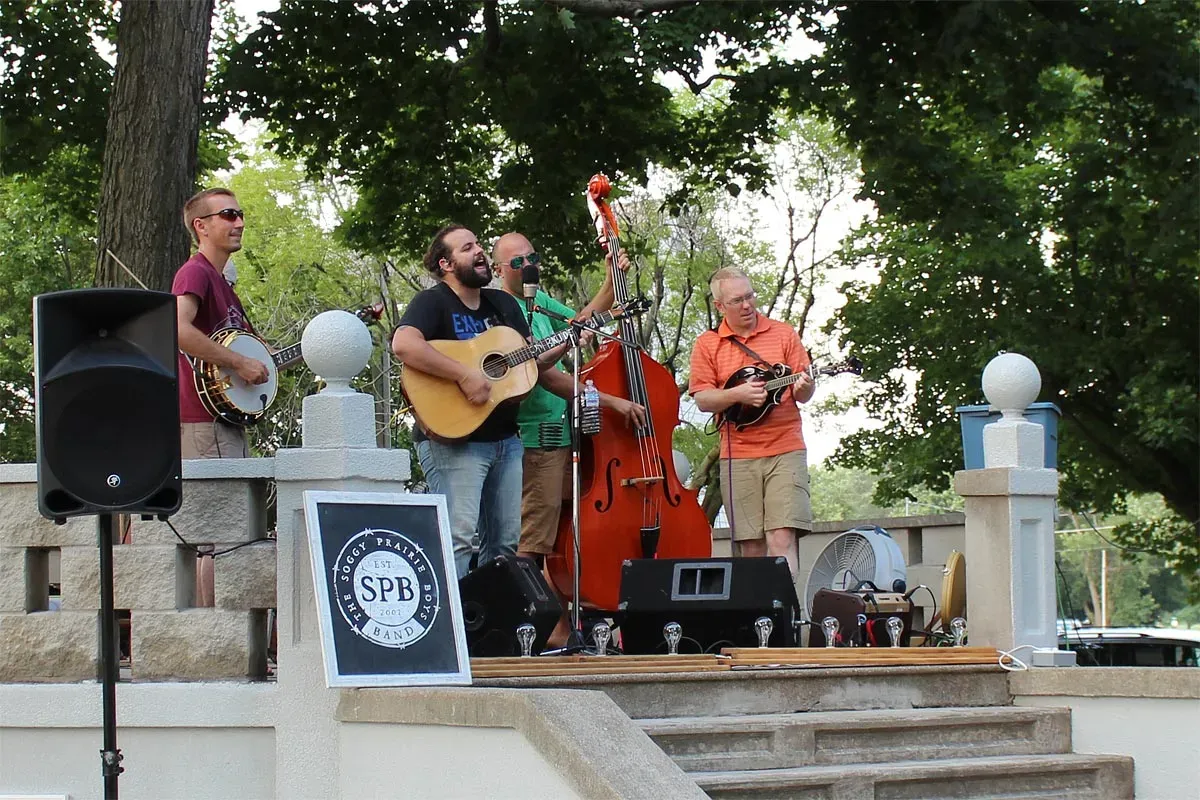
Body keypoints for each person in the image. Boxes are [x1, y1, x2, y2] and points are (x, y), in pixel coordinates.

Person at [394, 225, 638, 580]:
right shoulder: (433, 302)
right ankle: (453, 616)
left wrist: (570, 339)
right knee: (459, 537)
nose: (478, 250)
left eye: (478, 244)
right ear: (446, 264)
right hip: (453, 439)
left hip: (505, 440)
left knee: (505, 543)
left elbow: (533, 363)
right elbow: (404, 344)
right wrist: (464, 375)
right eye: (467, 248)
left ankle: (491, 616)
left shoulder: (503, 304)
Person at [490, 232, 645, 566]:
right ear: (497, 270)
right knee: (533, 536)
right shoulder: (502, 310)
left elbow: (580, 320)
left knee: (556, 535)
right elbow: (543, 374)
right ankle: (523, 599)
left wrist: (611, 279)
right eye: (517, 262)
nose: (528, 266)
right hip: (537, 436)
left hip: (563, 430)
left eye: (532, 258)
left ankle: (554, 602)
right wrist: (610, 401)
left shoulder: (539, 300)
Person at [173, 187, 270, 606]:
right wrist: (238, 362)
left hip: (224, 421)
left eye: (240, 214)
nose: (239, 222)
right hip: (202, 422)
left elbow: (246, 359)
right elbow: (176, 328)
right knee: (218, 534)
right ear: (201, 226)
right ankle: (215, 625)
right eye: (228, 215)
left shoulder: (224, 285)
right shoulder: (195, 273)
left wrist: (258, 364)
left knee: (233, 531)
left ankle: (225, 621)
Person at [688, 268, 814, 577]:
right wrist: (737, 394)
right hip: (739, 454)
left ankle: (784, 605)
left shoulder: (783, 334)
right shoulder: (707, 344)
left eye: (750, 296)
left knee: (782, 538)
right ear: (720, 306)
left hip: (786, 448)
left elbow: (804, 393)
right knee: (752, 547)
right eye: (737, 300)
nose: (747, 305)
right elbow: (703, 399)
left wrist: (806, 386)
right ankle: (758, 607)